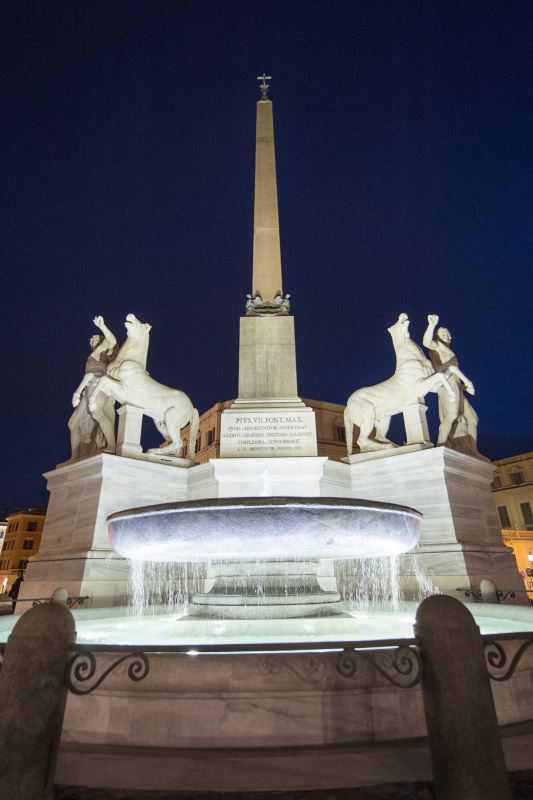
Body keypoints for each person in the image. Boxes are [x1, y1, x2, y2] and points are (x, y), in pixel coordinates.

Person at [423, 314, 478, 447]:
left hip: (457, 386)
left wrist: (464, 386)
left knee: (473, 418)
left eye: (448, 334)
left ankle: (472, 449)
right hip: (447, 384)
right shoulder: (436, 347)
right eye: (443, 334)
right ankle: (441, 445)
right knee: (451, 416)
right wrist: (431, 325)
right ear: (438, 336)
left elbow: (455, 373)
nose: (447, 336)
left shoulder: (449, 351)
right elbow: (426, 342)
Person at [68, 316, 118, 460]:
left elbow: (113, 341)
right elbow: (87, 376)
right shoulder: (92, 356)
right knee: (72, 424)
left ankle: (111, 446)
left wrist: (102, 326)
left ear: (102, 342)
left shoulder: (104, 353)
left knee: (98, 414)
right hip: (87, 390)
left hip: (100, 388)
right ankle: (75, 457)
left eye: (96, 339)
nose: (93, 341)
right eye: (91, 340)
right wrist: (77, 393)